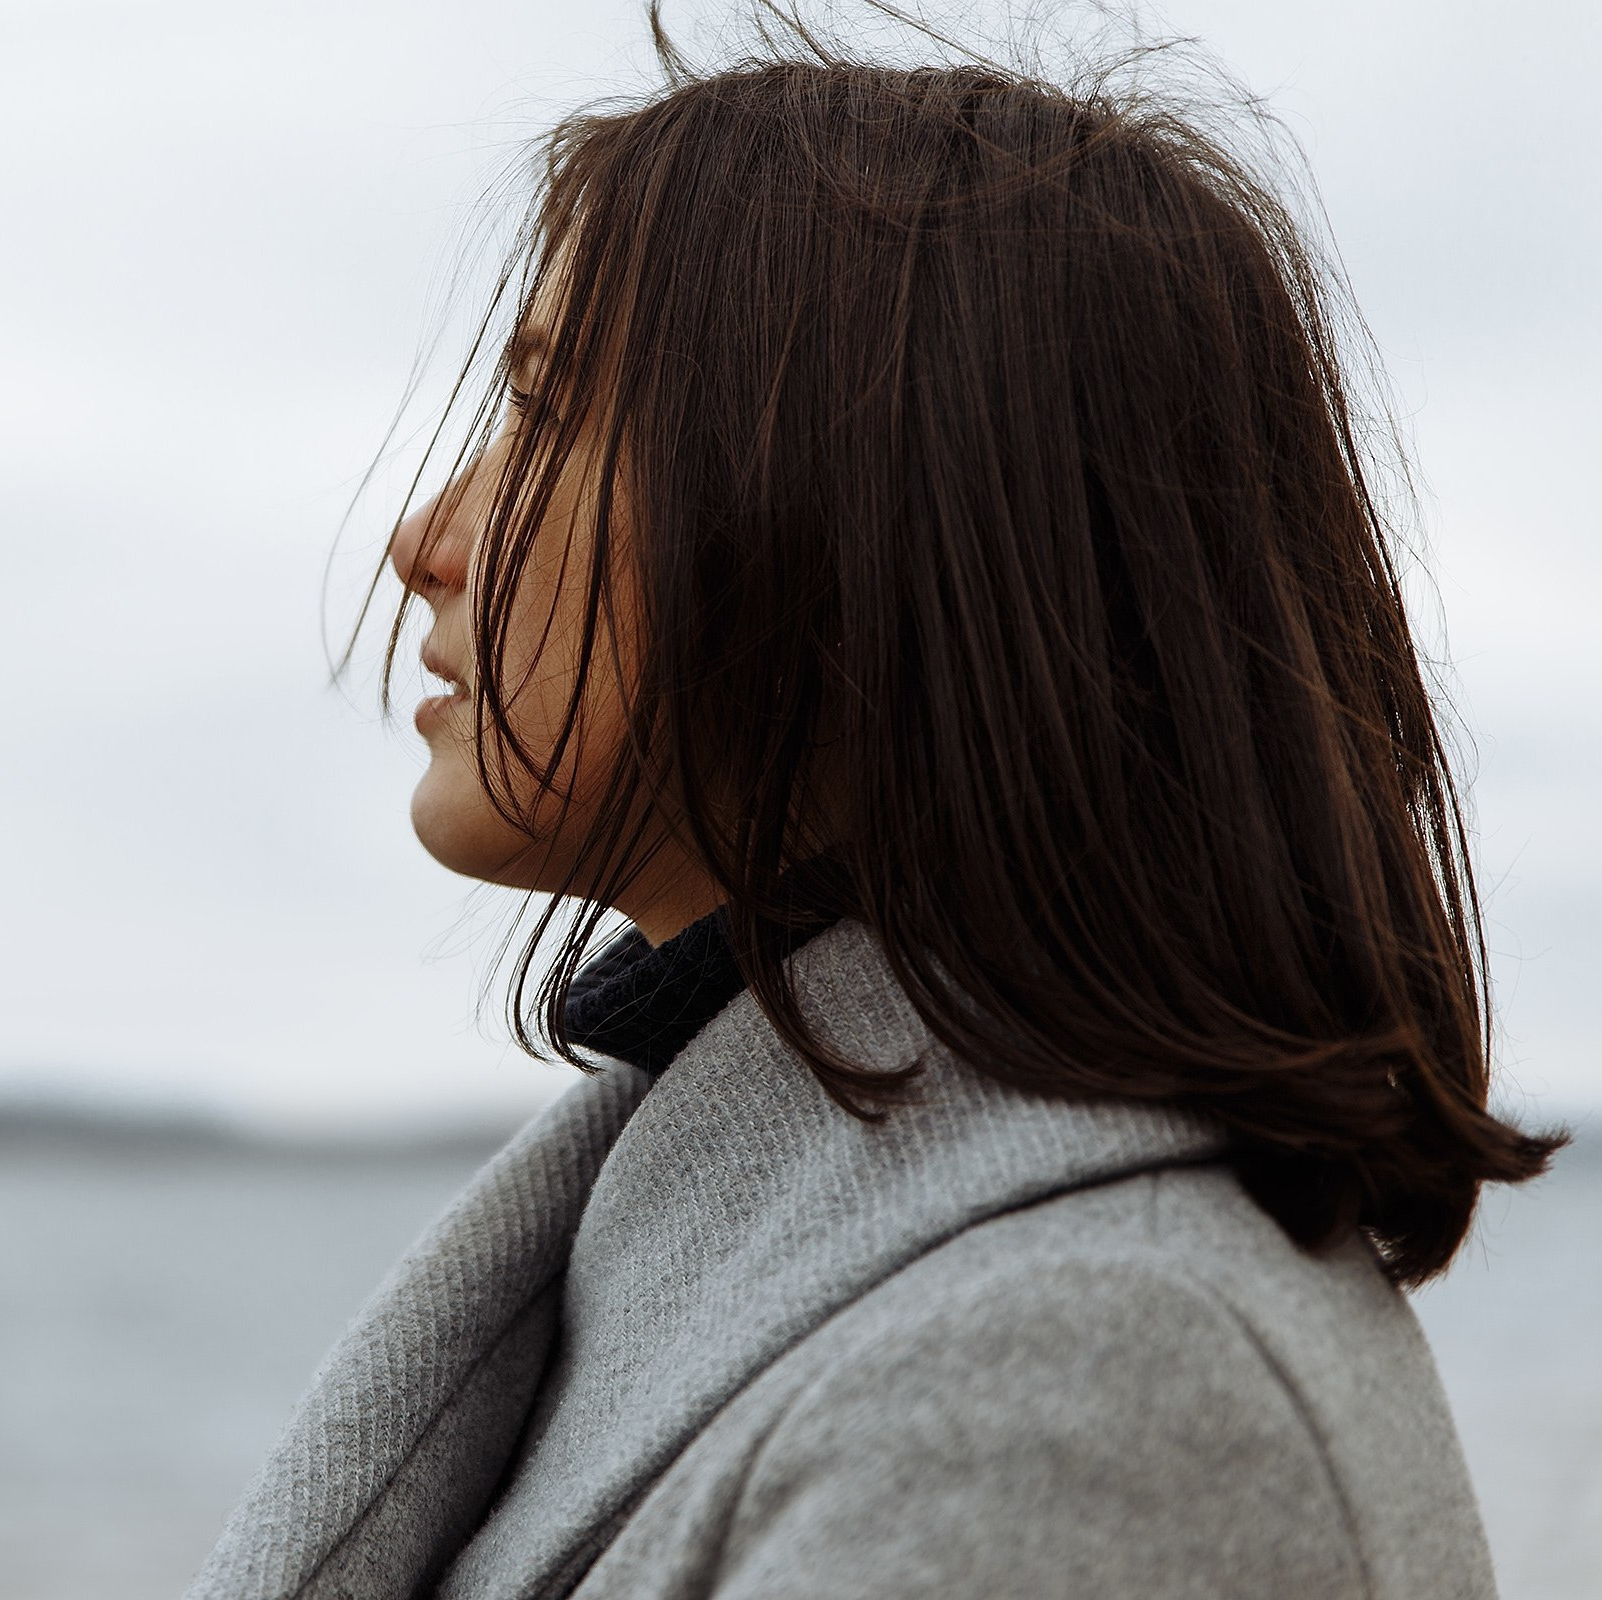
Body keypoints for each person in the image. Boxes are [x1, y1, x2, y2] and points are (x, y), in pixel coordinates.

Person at [187, 22, 1561, 1600]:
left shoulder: (1092, 1392)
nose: (426, 537)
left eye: (549, 412)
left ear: (861, 530)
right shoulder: (806, 1274)